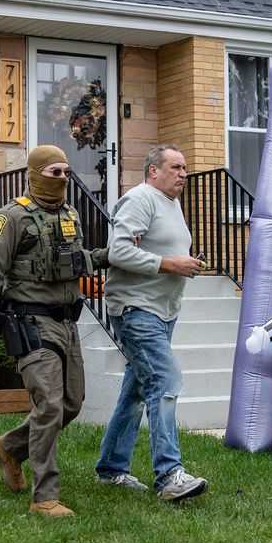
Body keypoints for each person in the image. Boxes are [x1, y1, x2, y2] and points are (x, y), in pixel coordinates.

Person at [0, 144, 108, 518]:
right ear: (35, 174)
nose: (62, 179)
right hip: (31, 323)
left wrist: (109, 255)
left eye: (66, 173)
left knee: (70, 404)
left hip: (67, 322)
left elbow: (78, 261)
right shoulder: (11, 218)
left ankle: (10, 448)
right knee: (48, 406)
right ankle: (45, 498)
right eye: (54, 172)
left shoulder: (71, 215)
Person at [95, 145, 208, 501]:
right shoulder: (140, 199)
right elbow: (119, 251)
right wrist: (172, 265)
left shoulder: (169, 203)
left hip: (163, 311)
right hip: (135, 309)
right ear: (153, 171)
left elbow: (156, 248)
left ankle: (111, 469)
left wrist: (186, 262)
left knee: (136, 392)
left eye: (185, 168)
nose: (183, 173)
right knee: (165, 379)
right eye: (175, 167)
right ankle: (169, 475)